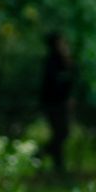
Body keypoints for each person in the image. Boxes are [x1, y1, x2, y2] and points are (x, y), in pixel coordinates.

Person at [39, 31, 77, 175]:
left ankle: (58, 165)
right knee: (61, 133)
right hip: (53, 103)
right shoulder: (52, 62)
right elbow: (54, 84)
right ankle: (40, 155)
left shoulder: (65, 61)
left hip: (60, 103)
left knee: (61, 133)